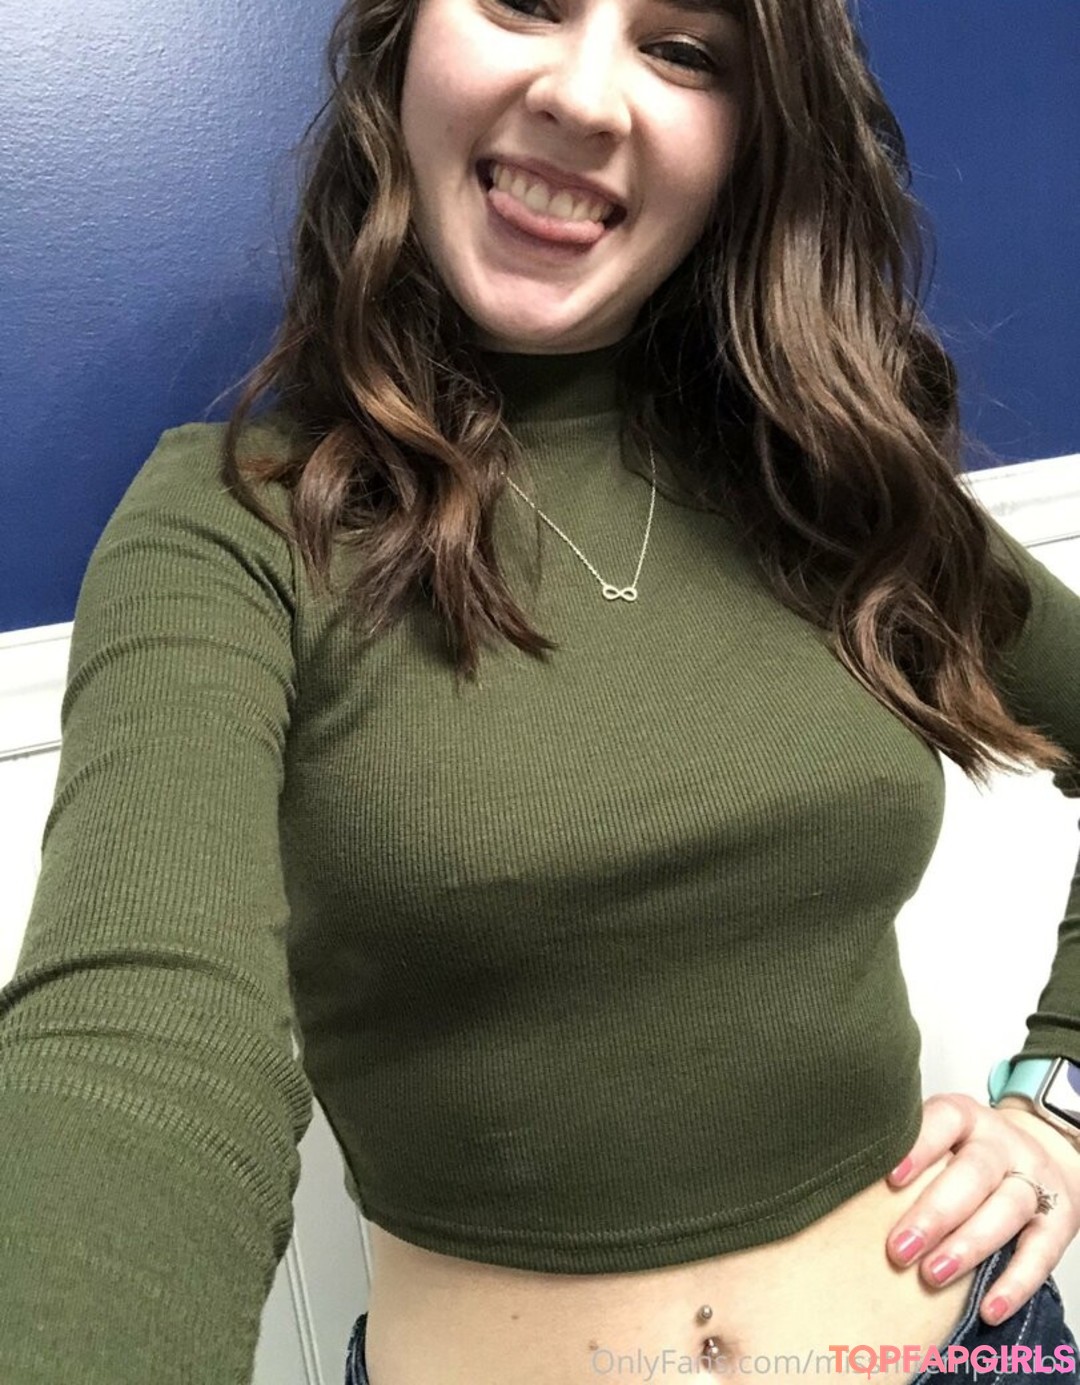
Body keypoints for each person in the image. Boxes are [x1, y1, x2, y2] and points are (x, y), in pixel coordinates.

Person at [1, 0, 1078, 1379]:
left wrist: (1059, 1100)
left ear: (753, 138)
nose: (585, 94)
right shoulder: (235, 529)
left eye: (681, 50)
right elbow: (138, 1042)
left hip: (974, 1347)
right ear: (402, 43)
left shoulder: (834, 488)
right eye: (525, 0)